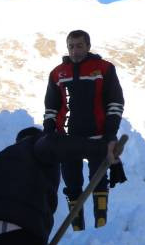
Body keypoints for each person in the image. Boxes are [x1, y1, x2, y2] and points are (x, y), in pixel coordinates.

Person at [43, 30, 126, 230]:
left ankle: (101, 224)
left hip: (98, 137)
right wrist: (49, 133)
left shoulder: (104, 69)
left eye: (79, 45)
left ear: (88, 46)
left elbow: (115, 103)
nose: (75, 50)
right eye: (71, 46)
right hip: (67, 139)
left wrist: (110, 135)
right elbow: (51, 108)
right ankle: (77, 227)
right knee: (72, 184)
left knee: (98, 181)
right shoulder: (57, 73)